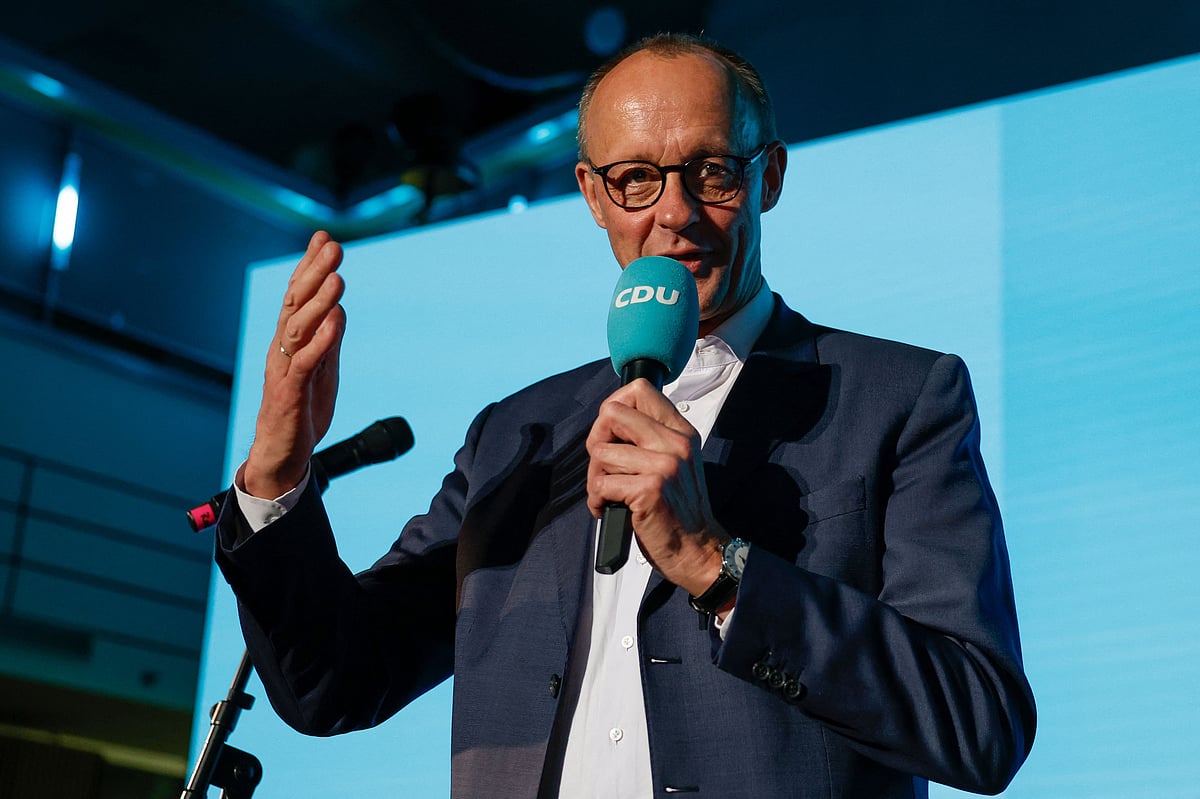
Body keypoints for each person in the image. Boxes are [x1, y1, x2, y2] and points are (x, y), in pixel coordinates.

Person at [216, 33, 1035, 798]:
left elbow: (979, 722)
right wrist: (278, 471)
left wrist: (721, 566)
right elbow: (334, 679)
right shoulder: (516, 433)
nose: (673, 212)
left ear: (770, 177)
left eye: (712, 171)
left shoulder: (900, 396)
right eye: (635, 178)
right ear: (592, 196)